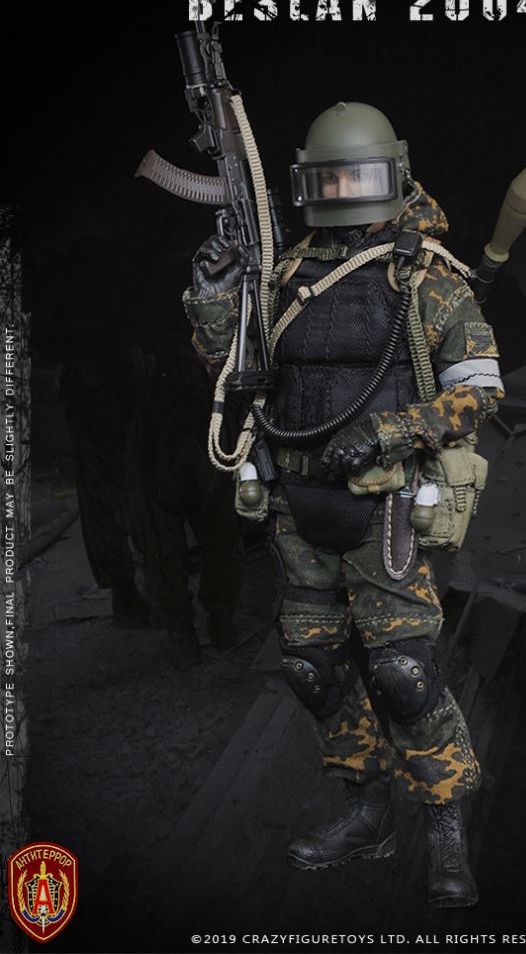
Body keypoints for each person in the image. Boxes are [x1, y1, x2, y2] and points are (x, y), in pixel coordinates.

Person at [182, 102, 504, 908]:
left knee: (403, 673)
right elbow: (231, 367)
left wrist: (392, 431)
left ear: (392, 176)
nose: (344, 194)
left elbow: (480, 392)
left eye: (357, 178)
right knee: (311, 666)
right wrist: (215, 291)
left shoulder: (424, 275)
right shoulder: (284, 274)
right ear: (306, 185)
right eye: (329, 181)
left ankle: (445, 829)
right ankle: (367, 811)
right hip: (297, 503)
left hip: (383, 503)